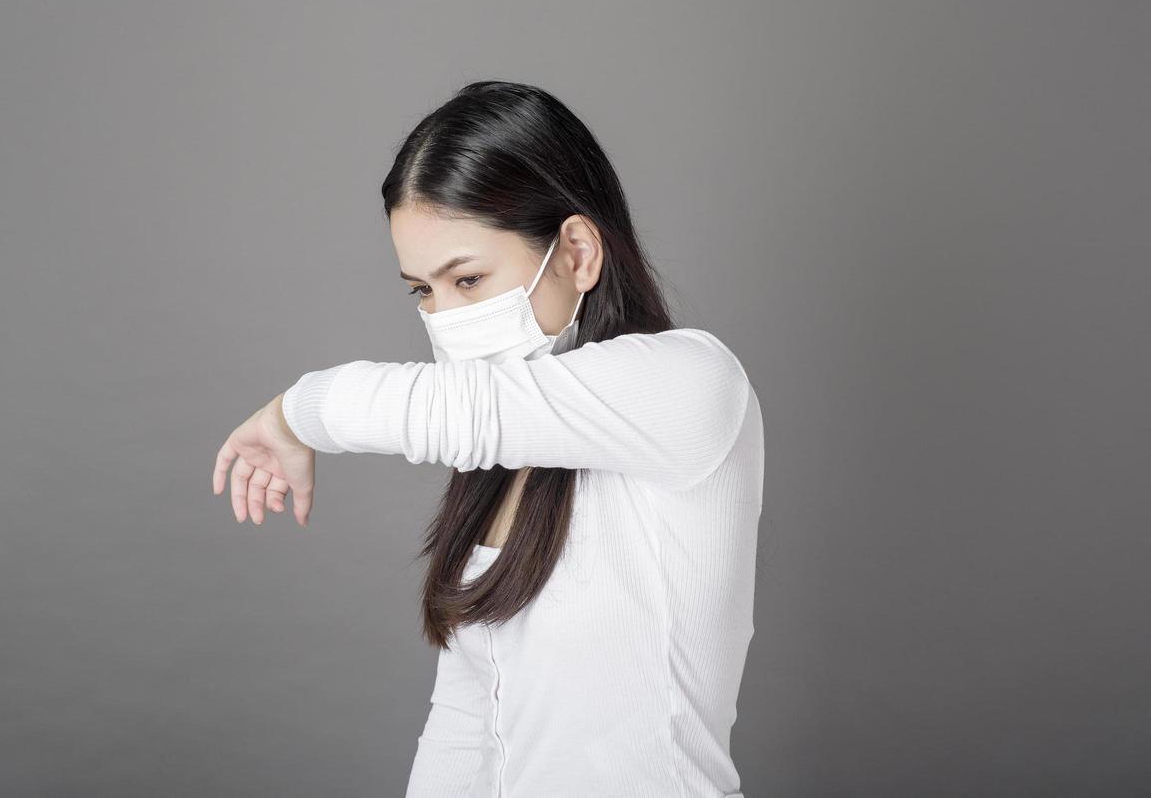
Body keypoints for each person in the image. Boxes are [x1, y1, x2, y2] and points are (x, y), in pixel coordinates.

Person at [213, 80, 764, 797]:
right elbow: (469, 723)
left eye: (467, 279)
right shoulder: (505, 462)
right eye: (422, 291)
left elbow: (465, 412)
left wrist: (297, 411)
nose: (443, 318)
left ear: (575, 253)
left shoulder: (694, 383)